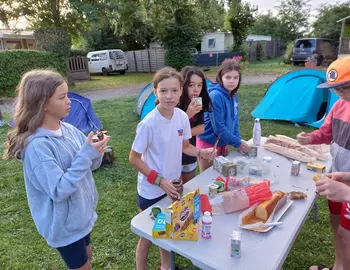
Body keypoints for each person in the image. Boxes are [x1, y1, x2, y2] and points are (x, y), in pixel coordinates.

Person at [3, 69, 110, 270]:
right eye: (62, 97)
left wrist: (97, 152)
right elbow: (59, 190)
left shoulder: (68, 130)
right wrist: (85, 155)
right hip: (63, 226)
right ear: (42, 104)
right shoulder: (37, 147)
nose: (69, 101)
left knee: (87, 253)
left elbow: (90, 167)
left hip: (81, 215)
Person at [129, 67, 216, 270]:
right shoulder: (148, 124)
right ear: (155, 91)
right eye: (164, 91)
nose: (169, 96)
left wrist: (201, 153)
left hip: (173, 186)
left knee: (166, 227)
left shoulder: (181, 117)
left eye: (174, 91)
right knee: (148, 235)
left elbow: (185, 146)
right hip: (152, 189)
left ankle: (166, 267)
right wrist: (160, 180)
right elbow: (133, 158)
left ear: (181, 91)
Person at [296, 56, 350, 270]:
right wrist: (309, 138)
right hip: (338, 175)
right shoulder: (338, 106)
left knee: (347, 235)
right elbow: (326, 133)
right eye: (335, 89)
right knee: (337, 229)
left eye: (344, 88)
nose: (339, 94)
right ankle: (338, 266)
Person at [197, 59, 251, 172]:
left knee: (220, 176)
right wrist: (238, 144)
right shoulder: (216, 96)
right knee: (207, 177)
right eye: (228, 77)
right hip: (209, 143)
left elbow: (235, 120)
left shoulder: (233, 95)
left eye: (236, 77)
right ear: (221, 77)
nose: (232, 81)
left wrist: (238, 140)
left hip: (223, 141)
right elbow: (219, 127)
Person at [178, 66, 212, 183]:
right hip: (173, 155)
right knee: (174, 188)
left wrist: (184, 133)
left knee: (189, 185)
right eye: (191, 85)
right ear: (183, 86)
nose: (196, 89)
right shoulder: (175, 104)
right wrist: (187, 115)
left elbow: (202, 128)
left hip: (190, 152)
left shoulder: (198, 102)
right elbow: (169, 129)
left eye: (199, 85)